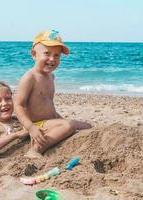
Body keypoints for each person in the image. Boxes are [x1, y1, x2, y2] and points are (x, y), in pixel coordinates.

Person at [15, 30, 91, 158]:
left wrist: (59, 118)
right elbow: (18, 105)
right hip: (36, 124)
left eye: (57, 55)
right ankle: (35, 150)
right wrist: (30, 127)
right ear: (34, 54)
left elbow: (47, 102)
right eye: (47, 53)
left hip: (51, 120)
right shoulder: (29, 78)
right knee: (68, 125)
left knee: (87, 126)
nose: (52, 59)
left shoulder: (51, 76)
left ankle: (60, 129)